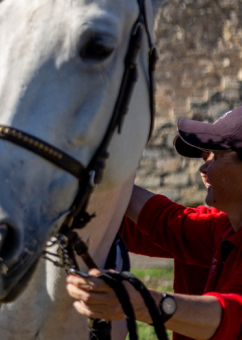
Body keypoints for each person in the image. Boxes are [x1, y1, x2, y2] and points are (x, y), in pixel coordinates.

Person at [66, 108, 242, 340]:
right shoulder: (224, 227)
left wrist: (141, 303)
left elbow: (233, 316)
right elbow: (161, 221)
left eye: (217, 156)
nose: (203, 169)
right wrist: (85, 174)